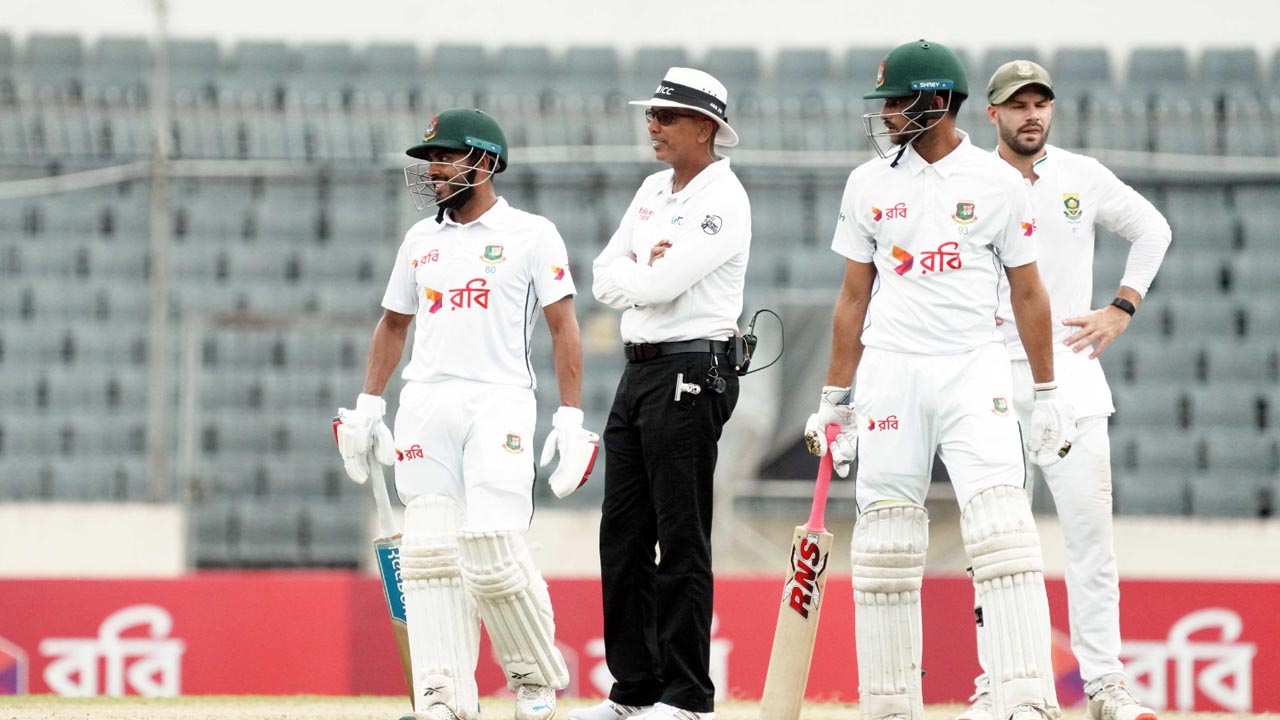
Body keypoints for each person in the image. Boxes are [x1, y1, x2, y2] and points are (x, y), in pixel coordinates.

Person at [803, 40, 1072, 720]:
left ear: (937, 100)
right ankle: (890, 706)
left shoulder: (998, 183)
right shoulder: (867, 184)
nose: (887, 114)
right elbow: (852, 299)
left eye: (898, 100)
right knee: (886, 541)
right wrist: (834, 400)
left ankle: (1024, 701)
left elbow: (1030, 293)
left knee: (1003, 530)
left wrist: (1046, 392)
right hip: (891, 370)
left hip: (972, 366)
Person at [334, 107, 599, 720]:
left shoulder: (532, 234)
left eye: (444, 157)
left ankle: (533, 682)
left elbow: (564, 328)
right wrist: (369, 405)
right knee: (429, 553)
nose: (433, 170)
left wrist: (569, 417)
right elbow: (393, 325)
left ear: (484, 161)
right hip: (426, 403)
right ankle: (444, 696)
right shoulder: (419, 241)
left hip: (498, 399)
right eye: (429, 159)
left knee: (491, 546)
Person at [956, 60, 1171, 720]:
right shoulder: (968, 179)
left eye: (1040, 104)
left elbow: (1153, 229)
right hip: (993, 373)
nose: (1032, 116)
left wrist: (1121, 308)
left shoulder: (1081, 175)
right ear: (992, 113)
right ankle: (1000, 685)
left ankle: (1104, 685)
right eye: (1018, 105)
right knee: (996, 545)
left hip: (1071, 373)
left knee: (1089, 539)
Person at [569, 67, 750, 720]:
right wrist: (640, 273)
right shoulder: (652, 189)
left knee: (681, 535)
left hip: (691, 368)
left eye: (666, 116)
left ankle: (688, 695)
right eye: (652, 114)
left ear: (705, 127)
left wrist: (639, 273)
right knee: (622, 534)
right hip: (640, 368)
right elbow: (603, 275)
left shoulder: (723, 200)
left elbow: (655, 285)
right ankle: (634, 689)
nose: (653, 124)